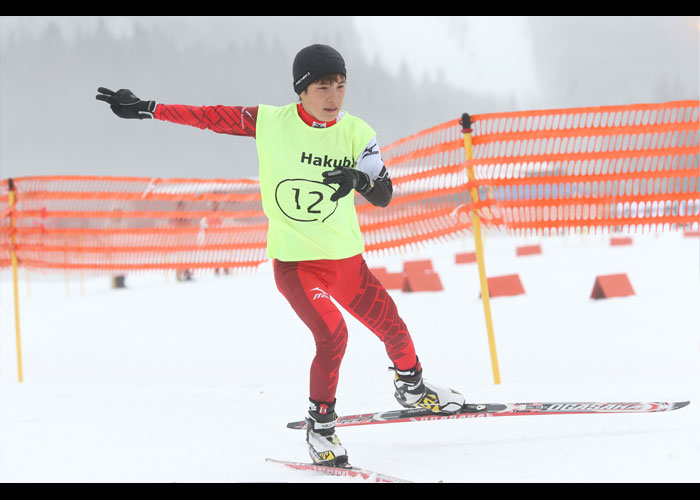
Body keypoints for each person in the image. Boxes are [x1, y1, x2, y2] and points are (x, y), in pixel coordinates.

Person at [96, 44, 465, 467]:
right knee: (333, 336)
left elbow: (383, 194)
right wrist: (145, 107)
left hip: (347, 264)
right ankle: (320, 428)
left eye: (341, 86)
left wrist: (358, 179)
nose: (334, 96)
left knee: (395, 329)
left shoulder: (358, 133)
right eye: (323, 86)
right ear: (302, 90)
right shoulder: (269, 122)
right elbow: (207, 116)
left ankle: (413, 388)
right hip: (298, 266)